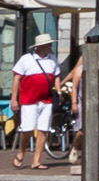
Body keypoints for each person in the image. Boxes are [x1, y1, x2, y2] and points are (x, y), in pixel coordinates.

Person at [7, 39, 60, 167]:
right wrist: (14, 99)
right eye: (48, 44)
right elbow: (16, 79)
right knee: (28, 129)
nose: (50, 46)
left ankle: (36, 161)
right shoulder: (26, 59)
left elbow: (56, 76)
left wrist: (58, 91)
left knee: (43, 129)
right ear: (40, 46)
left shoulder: (52, 59)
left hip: (46, 99)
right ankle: (21, 153)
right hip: (29, 99)